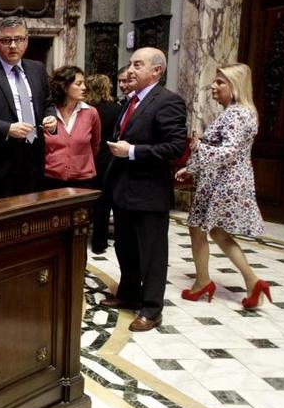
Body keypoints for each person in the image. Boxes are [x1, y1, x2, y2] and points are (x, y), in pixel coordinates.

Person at [99, 47, 187, 332]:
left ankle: (151, 308)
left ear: (156, 71)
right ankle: (128, 294)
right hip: (123, 189)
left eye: (139, 65)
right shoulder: (131, 101)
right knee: (125, 247)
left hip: (149, 193)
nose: (131, 70)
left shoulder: (168, 102)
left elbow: (174, 147)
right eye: (131, 64)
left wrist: (133, 151)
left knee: (151, 253)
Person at [175, 63, 270, 309]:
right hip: (225, 179)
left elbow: (227, 152)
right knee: (216, 231)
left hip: (223, 182)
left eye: (220, 82)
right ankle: (252, 281)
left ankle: (203, 282)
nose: (213, 86)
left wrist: (198, 148)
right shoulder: (240, 112)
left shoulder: (237, 114)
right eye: (215, 81)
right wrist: (192, 168)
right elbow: (224, 151)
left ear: (235, 86)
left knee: (197, 227)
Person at [0, 16, 57, 200]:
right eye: (6, 40)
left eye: (19, 39)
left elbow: (47, 103)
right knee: (2, 224)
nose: (13, 45)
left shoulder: (38, 69)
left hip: (34, 161)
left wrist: (51, 119)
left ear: (26, 41)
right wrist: (7, 128)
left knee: (33, 220)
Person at [41, 66, 100, 190]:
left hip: (83, 181)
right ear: (64, 86)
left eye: (84, 83)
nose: (84, 88)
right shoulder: (48, 113)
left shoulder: (91, 113)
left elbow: (95, 144)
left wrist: (81, 165)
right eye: (78, 84)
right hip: (51, 181)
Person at [86, 74, 121, 254]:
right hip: (109, 158)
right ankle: (99, 242)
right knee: (104, 202)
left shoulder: (86, 110)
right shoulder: (116, 109)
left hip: (89, 158)